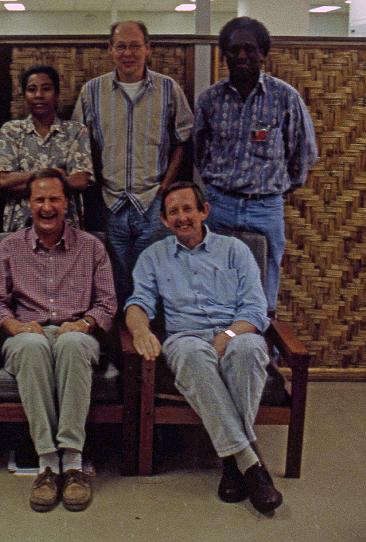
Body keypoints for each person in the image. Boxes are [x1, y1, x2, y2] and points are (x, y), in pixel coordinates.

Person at [125, 182, 283, 515]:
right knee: (191, 355)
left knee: (251, 348)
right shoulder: (154, 256)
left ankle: (231, 464)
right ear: (165, 221)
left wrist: (227, 334)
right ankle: (250, 464)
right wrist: (139, 329)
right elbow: (138, 302)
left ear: (204, 211)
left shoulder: (235, 250)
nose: (182, 217)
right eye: (173, 212)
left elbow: (256, 309)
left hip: (235, 333)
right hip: (187, 337)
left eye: (187, 209)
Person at [0, 168, 117, 512]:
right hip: (28, 334)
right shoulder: (10, 247)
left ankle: (72, 463)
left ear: (67, 204)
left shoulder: (92, 247)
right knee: (33, 346)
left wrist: (86, 323)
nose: (47, 207)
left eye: (54, 199)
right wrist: (14, 327)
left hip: (77, 333)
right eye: (39, 199)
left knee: (72, 346)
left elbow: (107, 303)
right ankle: (46, 463)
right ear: (29, 203)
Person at [195, 17, 318, 313]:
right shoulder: (209, 100)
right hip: (219, 206)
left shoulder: (285, 97)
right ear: (223, 54)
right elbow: (199, 151)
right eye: (233, 50)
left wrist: (277, 189)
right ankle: (220, 350)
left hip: (265, 209)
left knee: (263, 293)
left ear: (263, 53)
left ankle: (263, 356)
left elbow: (304, 153)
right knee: (216, 285)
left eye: (249, 49)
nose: (241, 56)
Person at [73, 20, 193, 305]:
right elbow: (77, 141)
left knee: (152, 281)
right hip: (110, 201)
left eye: (135, 46)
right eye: (121, 46)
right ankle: (119, 345)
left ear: (148, 49)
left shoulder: (168, 89)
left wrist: (165, 187)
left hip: (152, 201)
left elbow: (183, 140)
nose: (128, 53)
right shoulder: (92, 91)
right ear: (110, 50)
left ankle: (147, 342)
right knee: (113, 283)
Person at [0, 65, 94, 231]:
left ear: (56, 94)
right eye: (32, 89)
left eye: (46, 89)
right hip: (20, 227)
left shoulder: (75, 131)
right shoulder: (11, 131)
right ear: (25, 95)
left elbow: (80, 181)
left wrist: (23, 182)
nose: (39, 95)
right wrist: (56, 175)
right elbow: (4, 180)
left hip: (66, 227)